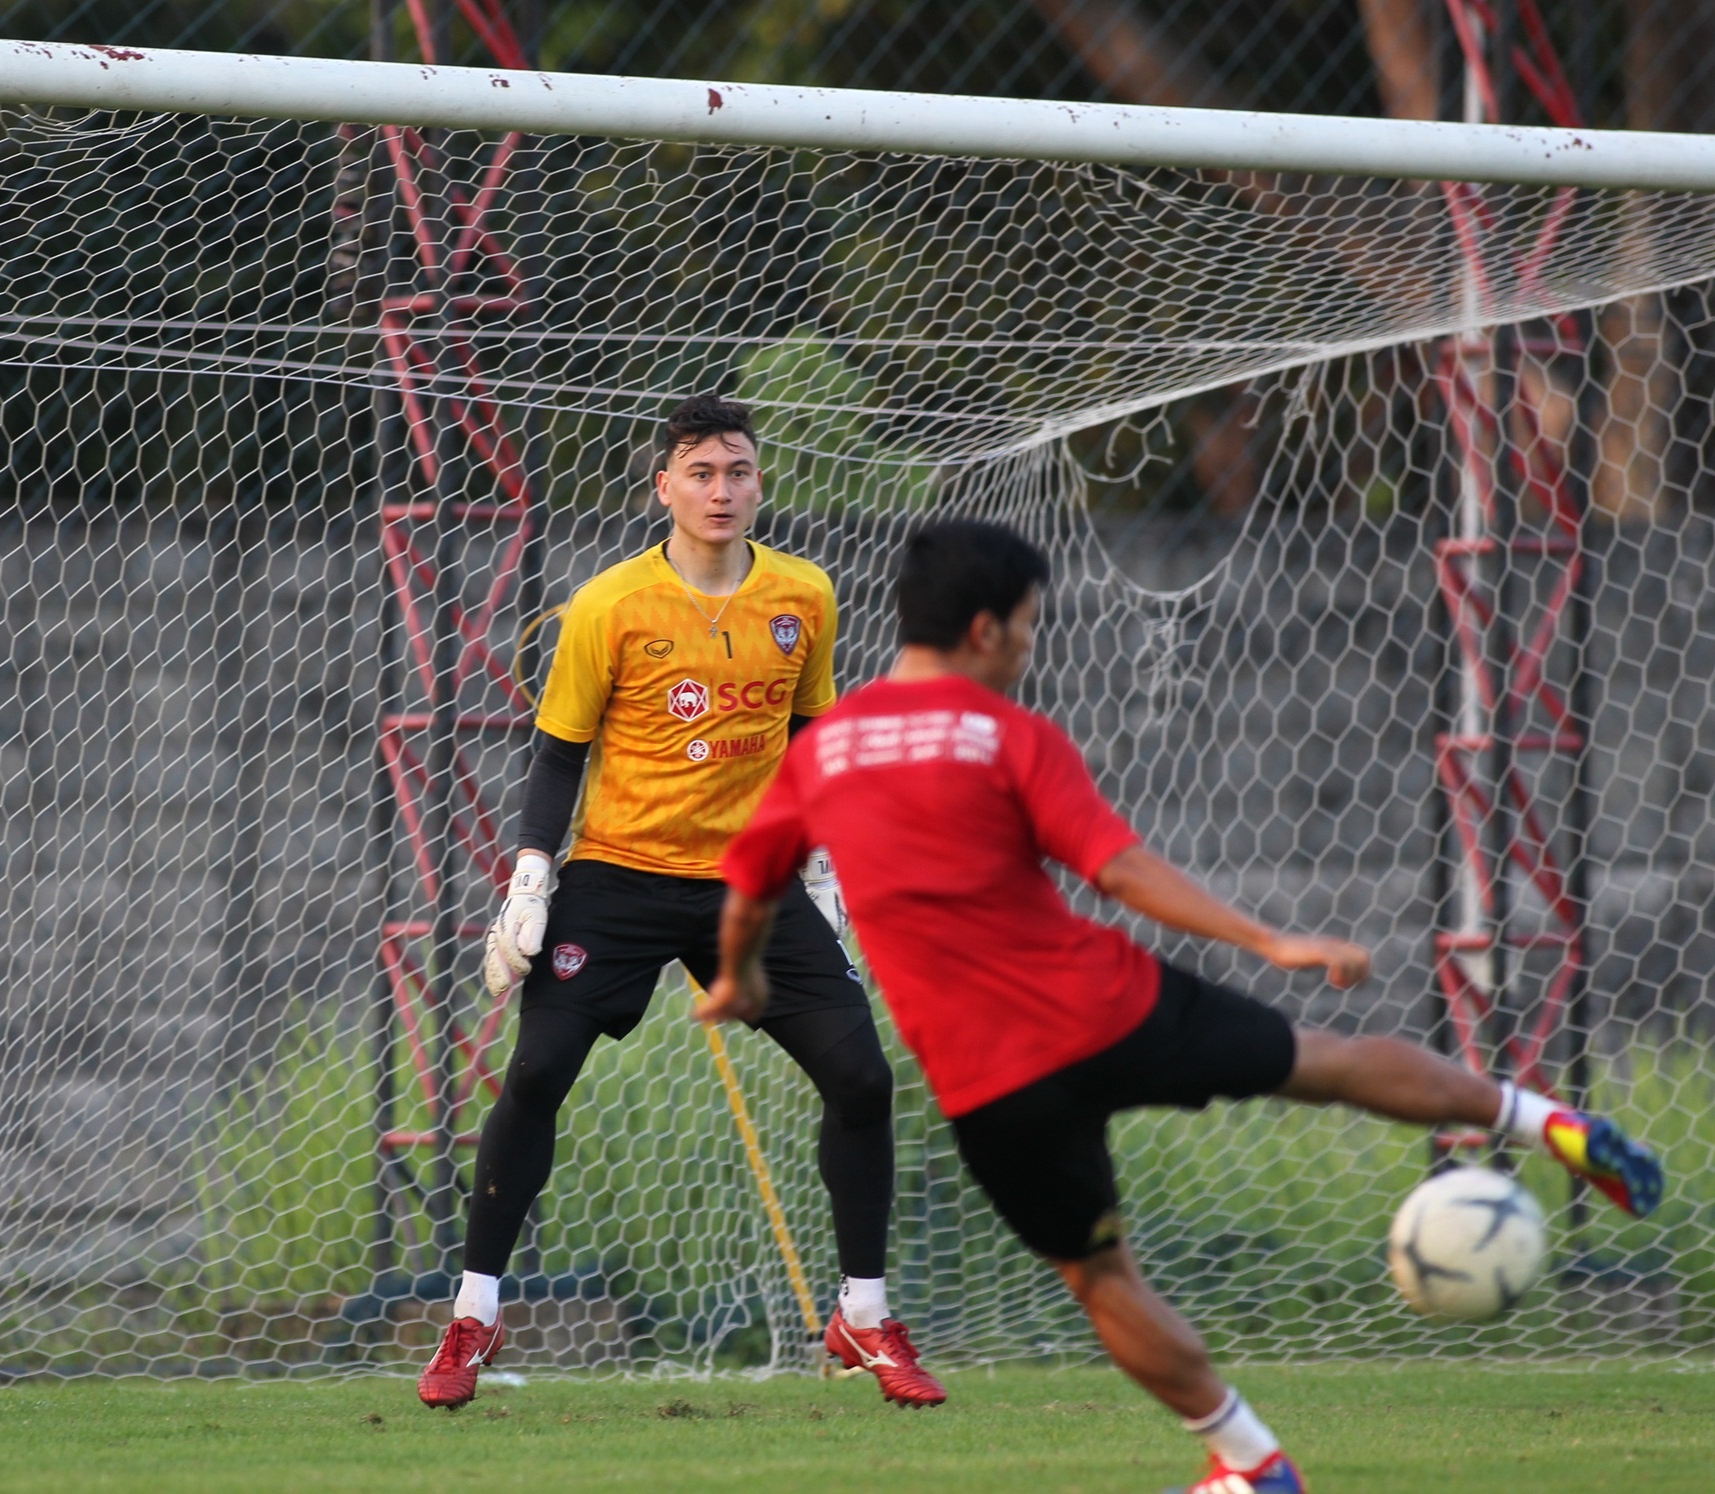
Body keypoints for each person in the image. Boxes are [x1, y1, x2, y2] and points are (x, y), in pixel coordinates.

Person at [699, 518, 1664, 1493]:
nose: (1032, 649)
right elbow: (1116, 870)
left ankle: (1251, 1463)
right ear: (985, 630)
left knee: (1099, 1278)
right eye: (1031, 628)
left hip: (992, 1079)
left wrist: (740, 980)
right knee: (1323, 1061)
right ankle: (1546, 1122)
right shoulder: (1009, 735)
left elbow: (748, 891)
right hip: (1107, 1006)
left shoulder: (820, 756)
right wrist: (1266, 940)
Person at [415, 394, 944, 1410]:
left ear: (759, 482)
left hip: (755, 883)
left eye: (736, 471)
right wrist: (530, 878)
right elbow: (558, 750)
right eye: (699, 473)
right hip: (617, 875)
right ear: (663, 486)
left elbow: (809, 741)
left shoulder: (804, 593)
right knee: (535, 1073)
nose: (720, 490)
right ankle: (473, 1312)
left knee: (862, 1079)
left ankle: (864, 1319)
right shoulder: (608, 606)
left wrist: (826, 869)